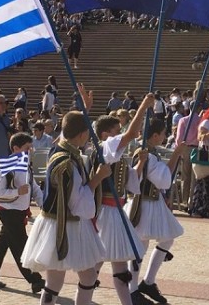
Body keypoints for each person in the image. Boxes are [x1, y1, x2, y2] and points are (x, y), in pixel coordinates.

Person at [20, 111, 111, 305]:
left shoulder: (58, 150)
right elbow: (78, 204)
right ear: (82, 135)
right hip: (66, 226)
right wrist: (98, 178)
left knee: (54, 281)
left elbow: (67, 132)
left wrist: (82, 111)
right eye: (87, 132)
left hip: (53, 223)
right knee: (87, 277)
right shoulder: (68, 163)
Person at [93, 94, 154, 305]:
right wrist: (144, 107)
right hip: (105, 213)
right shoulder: (106, 148)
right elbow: (131, 134)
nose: (120, 135)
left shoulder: (116, 156)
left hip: (116, 213)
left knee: (119, 267)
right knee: (97, 263)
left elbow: (129, 182)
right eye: (116, 131)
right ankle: (82, 299)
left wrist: (140, 164)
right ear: (105, 135)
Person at [125, 119, 186, 305]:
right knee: (140, 246)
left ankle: (147, 282)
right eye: (163, 133)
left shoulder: (150, 153)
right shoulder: (147, 155)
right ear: (155, 135)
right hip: (143, 204)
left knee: (166, 239)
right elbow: (164, 179)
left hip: (152, 202)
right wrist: (176, 154)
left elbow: (160, 182)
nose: (165, 136)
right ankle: (133, 289)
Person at [0, 132, 46, 293]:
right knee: (21, 246)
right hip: (9, 212)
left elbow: (34, 188)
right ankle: (35, 280)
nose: (30, 151)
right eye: (27, 148)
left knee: (3, 244)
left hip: (19, 212)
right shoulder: (7, 166)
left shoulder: (25, 165)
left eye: (31, 148)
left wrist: (44, 204)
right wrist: (17, 191)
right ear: (16, 148)